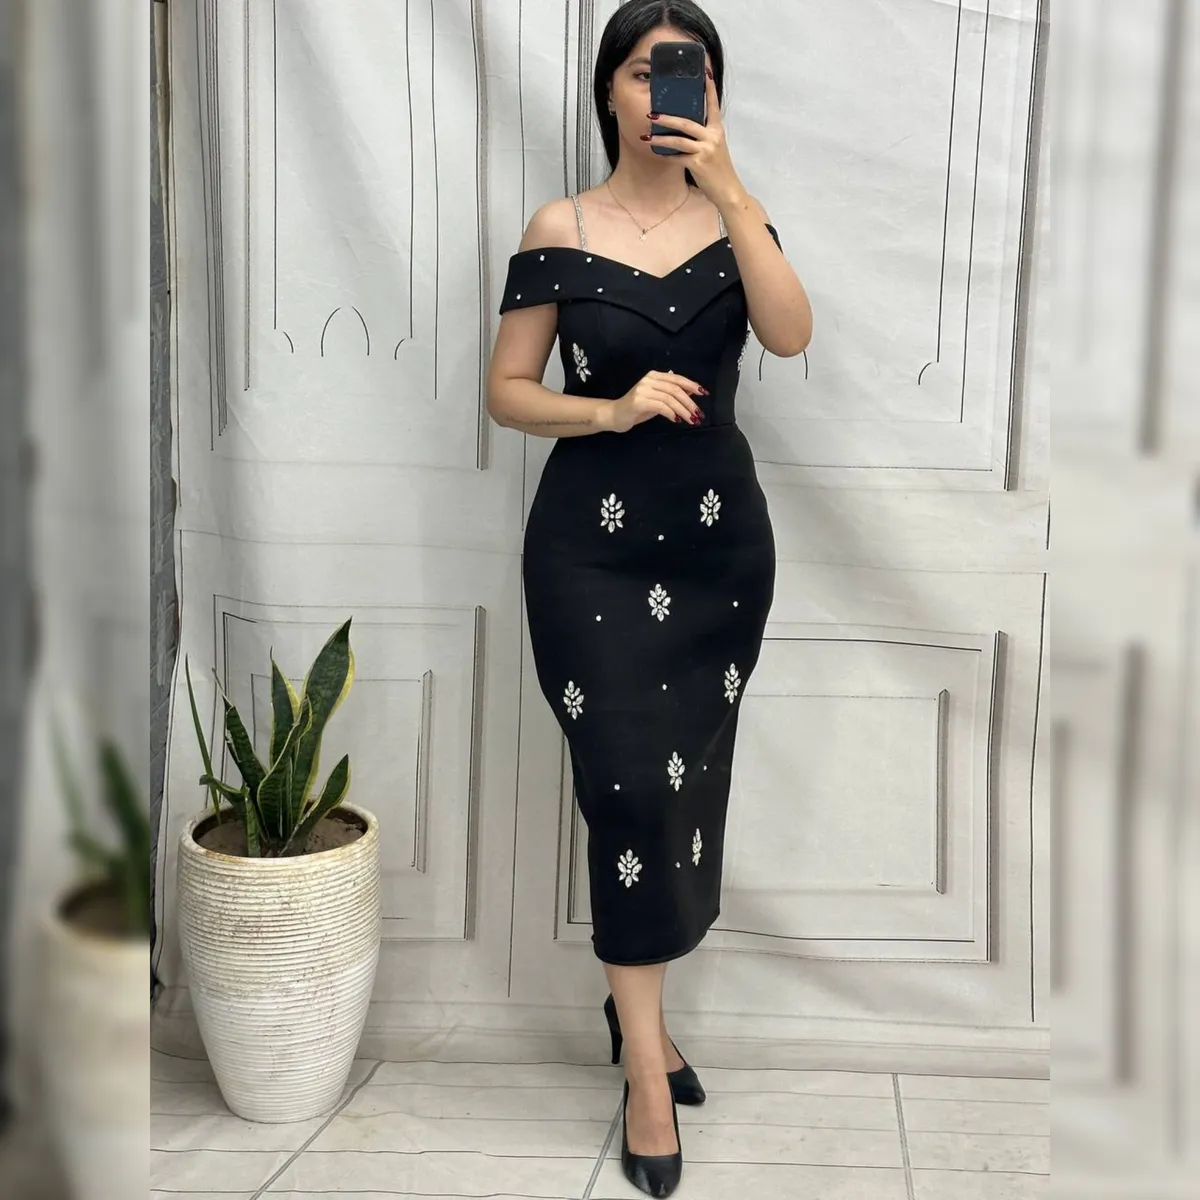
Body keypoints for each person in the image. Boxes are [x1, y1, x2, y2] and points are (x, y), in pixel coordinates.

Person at [486, 2, 811, 1194]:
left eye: (689, 73)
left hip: (720, 552)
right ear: (608, 91)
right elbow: (508, 391)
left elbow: (790, 334)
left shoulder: (738, 218)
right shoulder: (559, 226)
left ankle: (639, 1023)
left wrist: (731, 188)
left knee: (680, 793)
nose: (664, 89)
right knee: (624, 786)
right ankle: (643, 1067)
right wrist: (612, 409)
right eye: (642, 69)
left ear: (712, 95)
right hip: (590, 552)